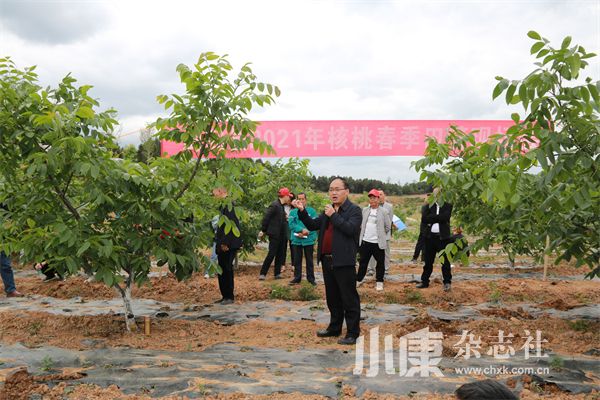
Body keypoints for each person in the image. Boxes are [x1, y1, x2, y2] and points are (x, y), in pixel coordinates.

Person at [294, 177, 362, 345]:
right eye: (331, 189)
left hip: (344, 261)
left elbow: (350, 229)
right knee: (332, 297)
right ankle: (334, 327)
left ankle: (353, 332)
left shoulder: (354, 210)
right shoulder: (328, 210)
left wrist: (334, 216)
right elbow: (312, 225)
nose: (333, 192)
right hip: (327, 260)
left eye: (337, 189)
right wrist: (302, 211)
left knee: (349, 298)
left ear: (347, 191)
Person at [416, 187, 453, 291]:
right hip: (430, 237)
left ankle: (447, 282)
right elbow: (424, 219)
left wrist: (432, 218)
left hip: (443, 238)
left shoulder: (447, 206)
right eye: (435, 194)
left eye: (439, 194)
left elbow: (446, 217)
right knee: (428, 262)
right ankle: (424, 281)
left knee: (445, 262)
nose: (437, 196)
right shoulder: (428, 206)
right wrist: (438, 218)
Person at [357, 189, 391, 291]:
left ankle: (379, 282)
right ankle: (359, 280)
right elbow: (361, 225)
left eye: (374, 198)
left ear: (378, 199)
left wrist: (380, 235)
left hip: (377, 243)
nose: (372, 200)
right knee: (363, 262)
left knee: (380, 263)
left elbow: (388, 226)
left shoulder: (384, 212)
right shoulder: (365, 210)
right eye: (370, 198)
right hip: (366, 241)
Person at [213, 187, 242, 305]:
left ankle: (229, 296)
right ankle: (224, 295)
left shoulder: (229, 204)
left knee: (227, 268)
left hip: (228, 244)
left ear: (220, 191)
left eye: (214, 192)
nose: (213, 195)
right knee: (222, 269)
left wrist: (225, 243)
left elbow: (229, 226)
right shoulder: (224, 205)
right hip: (223, 243)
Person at [258, 187, 291, 280]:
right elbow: (266, 218)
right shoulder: (275, 205)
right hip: (274, 234)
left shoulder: (281, 206)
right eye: (288, 196)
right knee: (271, 253)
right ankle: (263, 273)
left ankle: (277, 274)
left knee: (280, 254)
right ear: (284, 196)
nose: (289, 198)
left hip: (282, 235)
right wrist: (263, 230)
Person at [288, 192, 318, 286]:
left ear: (306, 200)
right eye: (299, 199)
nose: (301, 201)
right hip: (297, 239)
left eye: (302, 199)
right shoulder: (292, 212)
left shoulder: (312, 211)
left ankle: (311, 279)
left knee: (309, 260)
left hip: (308, 239)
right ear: (296, 201)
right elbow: (291, 224)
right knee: (297, 260)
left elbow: (314, 224)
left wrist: (307, 231)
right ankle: (297, 278)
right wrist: (301, 230)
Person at [366, 189, 393, 276]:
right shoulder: (371, 205)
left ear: (384, 195)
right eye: (378, 194)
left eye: (381, 194)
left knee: (385, 252)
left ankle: (385, 269)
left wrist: (383, 232)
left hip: (385, 234)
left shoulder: (389, 207)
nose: (380, 196)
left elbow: (390, 221)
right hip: (373, 235)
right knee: (372, 253)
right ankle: (371, 269)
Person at [409, 199, 429, 264]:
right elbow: (425, 217)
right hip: (424, 228)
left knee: (424, 244)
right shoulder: (425, 207)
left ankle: (422, 259)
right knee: (421, 244)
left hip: (427, 228)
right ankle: (416, 258)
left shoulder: (428, 206)